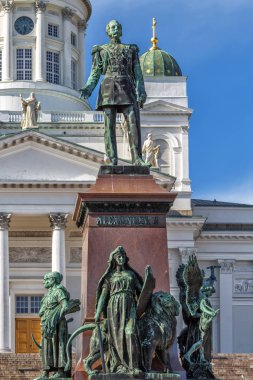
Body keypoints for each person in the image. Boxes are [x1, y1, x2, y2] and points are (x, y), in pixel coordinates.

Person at [80, 20, 147, 166]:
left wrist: (141, 90)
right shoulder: (101, 50)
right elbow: (96, 72)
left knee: (133, 122)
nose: (115, 29)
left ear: (121, 31)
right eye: (112, 27)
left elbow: (137, 73)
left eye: (117, 27)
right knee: (108, 124)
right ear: (108, 31)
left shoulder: (131, 49)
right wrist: (88, 88)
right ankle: (111, 158)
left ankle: (137, 159)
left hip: (127, 86)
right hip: (108, 87)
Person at [95, 246, 144, 375]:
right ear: (114, 260)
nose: (121, 258)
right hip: (114, 307)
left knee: (130, 332)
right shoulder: (110, 276)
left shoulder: (131, 274)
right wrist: (98, 312)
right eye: (118, 257)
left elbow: (141, 290)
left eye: (123, 256)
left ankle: (134, 366)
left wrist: (148, 282)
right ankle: (119, 365)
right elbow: (103, 296)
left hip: (129, 305)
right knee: (116, 336)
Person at [35, 272, 80, 380]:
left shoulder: (59, 291)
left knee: (59, 345)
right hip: (47, 325)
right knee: (46, 348)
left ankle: (61, 371)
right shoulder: (48, 295)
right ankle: (46, 372)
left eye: (46, 280)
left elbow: (64, 306)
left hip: (58, 324)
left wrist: (54, 317)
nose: (44, 282)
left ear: (53, 280)